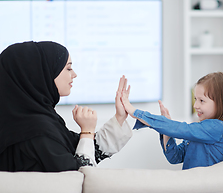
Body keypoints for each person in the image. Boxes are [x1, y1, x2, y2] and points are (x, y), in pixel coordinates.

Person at [0, 41, 132, 172]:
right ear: (40, 73)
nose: (74, 74)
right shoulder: (36, 132)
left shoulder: (38, 120)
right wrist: (87, 130)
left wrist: (119, 117)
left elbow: (84, 149)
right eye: (68, 68)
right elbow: (79, 178)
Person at [121, 72, 223, 169]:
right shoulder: (200, 130)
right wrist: (166, 129)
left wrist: (135, 112)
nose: (196, 105)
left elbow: (181, 129)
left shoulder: (218, 128)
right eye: (195, 99)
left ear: (221, 102)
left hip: (208, 191)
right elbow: (174, 157)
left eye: (202, 101)